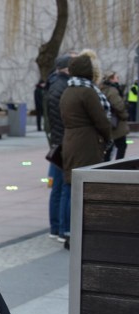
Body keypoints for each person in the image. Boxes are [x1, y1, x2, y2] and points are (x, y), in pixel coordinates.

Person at [60, 49, 111, 250]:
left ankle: (71, 233)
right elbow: (101, 120)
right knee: (86, 190)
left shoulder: (68, 90)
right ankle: (80, 235)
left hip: (70, 142)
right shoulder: (88, 92)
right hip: (87, 145)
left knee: (73, 189)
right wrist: (108, 137)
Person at [46, 54, 73, 244]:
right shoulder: (62, 87)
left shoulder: (54, 84)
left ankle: (56, 228)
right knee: (63, 187)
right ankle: (62, 228)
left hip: (57, 141)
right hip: (63, 141)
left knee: (58, 187)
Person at [100, 71, 129, 161]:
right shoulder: (112, 90)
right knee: (121, 145)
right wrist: (125, 115)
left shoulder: (102, 88)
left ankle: (106, 166)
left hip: (109, 122)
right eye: (117, 77)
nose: (118, 80)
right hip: (116, 123)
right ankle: (117, 166)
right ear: (111, 79)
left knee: (109, 148)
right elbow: (119, 106)